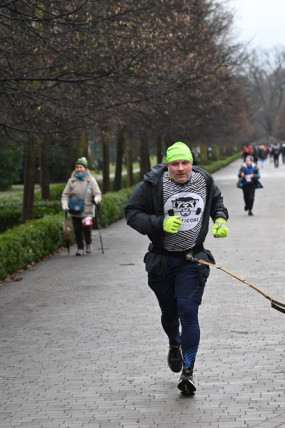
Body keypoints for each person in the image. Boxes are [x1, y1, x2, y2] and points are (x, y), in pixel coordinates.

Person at [125, 141, 229, 395]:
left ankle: (188, 372)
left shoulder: (204, 180)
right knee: (170, 314)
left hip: (192, 260)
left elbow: (216, 201)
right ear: (167, 164)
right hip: (162, 262)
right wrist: (159, 223)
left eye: (185, 163)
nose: (181, 168)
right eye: (175, 164)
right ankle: (174, 342)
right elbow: (131, 213)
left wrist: (221, 219)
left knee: (188, 311)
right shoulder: (152, 184)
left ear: (192, 163)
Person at [61, 157, 102, 255]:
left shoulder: (91, 180)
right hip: (75, 211)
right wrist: (65, 205)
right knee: (77, 230)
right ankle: (80, 248)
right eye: (77, 167)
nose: (79, 169)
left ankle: (88, 243)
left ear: (85, 169)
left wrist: (96, 200)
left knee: (87, 228)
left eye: (81, 167)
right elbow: (65, 195)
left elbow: (98, 193)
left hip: (87, 210)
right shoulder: (71, 181)